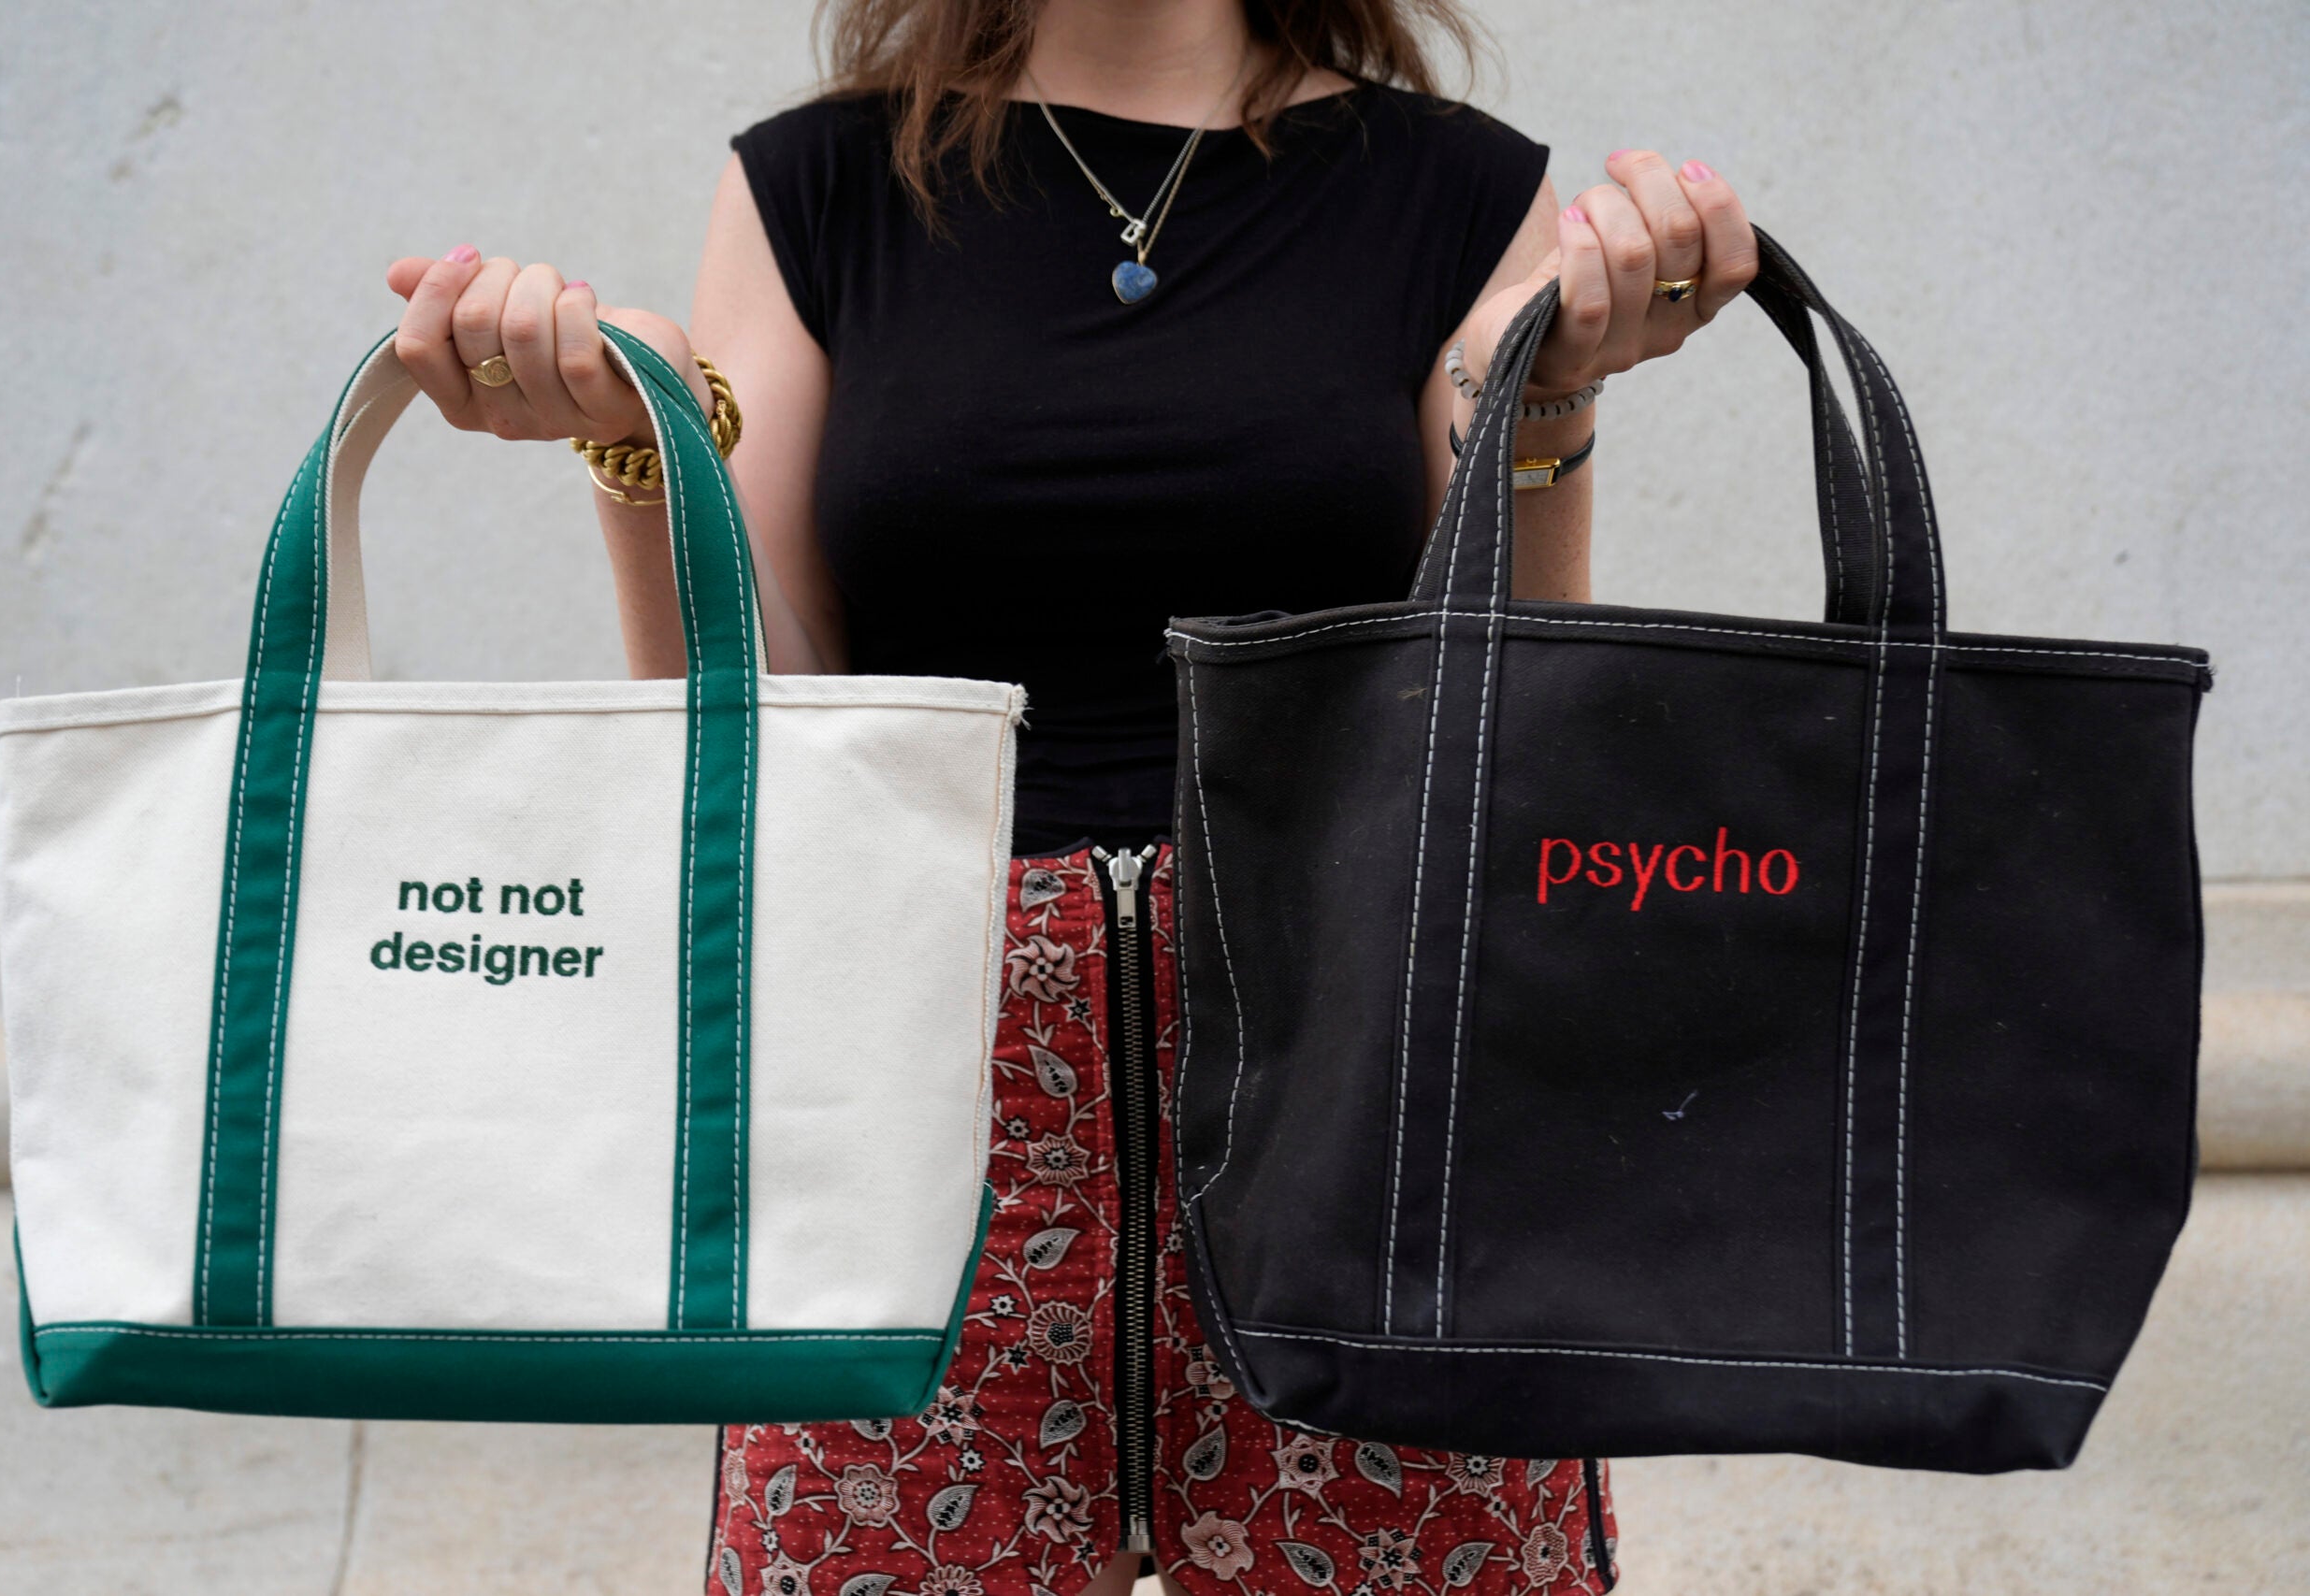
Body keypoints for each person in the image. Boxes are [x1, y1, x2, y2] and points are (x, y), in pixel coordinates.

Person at [384, 2, 1758, 1590]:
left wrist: (1545, 403)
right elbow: (764, 731)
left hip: (1356, 1116)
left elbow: (1508, 728)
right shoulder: (816, 184)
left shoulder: (1455, 190)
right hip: (915, 1129)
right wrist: (643, 451)